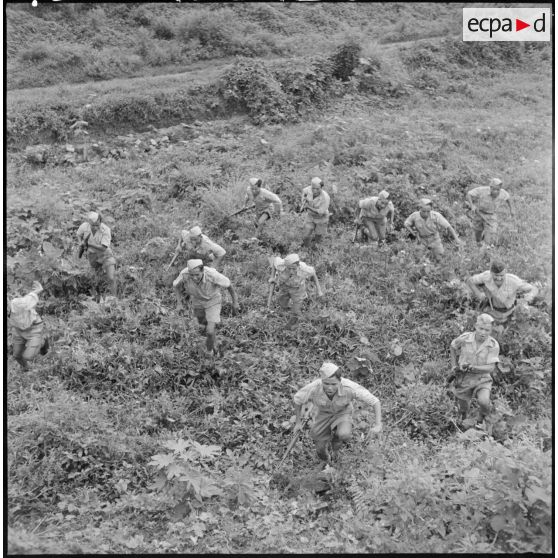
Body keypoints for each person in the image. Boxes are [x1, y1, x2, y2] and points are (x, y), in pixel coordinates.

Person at [293, 362, 382, 463]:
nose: (330, 388)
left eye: (334, 384)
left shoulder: (349, 387)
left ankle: (336, 445)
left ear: (340, 381)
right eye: (326, 384)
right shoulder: (314, 387)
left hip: (342, 412)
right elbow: (297, 399)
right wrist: (298, 423)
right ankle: (327, 461)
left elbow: (375, 401)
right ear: (321, 381)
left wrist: (378, 424)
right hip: (322, 414)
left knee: (343, 434)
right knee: (320, 449)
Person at [173, 259, 239, 356]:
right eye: (192, 275)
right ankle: (214, 343)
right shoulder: (184, 273)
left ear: (202, 271)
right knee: (202, 325)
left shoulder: (212, 275)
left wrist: (235, 302)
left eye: (197, 275)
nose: (194, 278)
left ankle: (210, 353)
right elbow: (176, 286)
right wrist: (179, 303)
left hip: (213, 301)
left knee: (210, 331)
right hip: (197, 300)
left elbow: (229, 286)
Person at [448, 313, 500, 424]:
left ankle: (483, 418)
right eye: (481, 328)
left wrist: (474, 368)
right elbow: (453, 346)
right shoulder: (465, 338)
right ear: (476, 326)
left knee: (484, 401)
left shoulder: (493, 345)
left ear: (491, 331)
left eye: (487, 330)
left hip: (482, 379)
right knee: (463, 410)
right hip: (464, 378)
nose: (483, 333)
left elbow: (490, 367)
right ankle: (464, 423)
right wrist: (454, 365)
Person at [466, 260, 539, 325]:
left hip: (509, 313)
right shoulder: (486, 276)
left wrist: (529, 296)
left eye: (501, 275)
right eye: (496, 275)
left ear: (505, 272)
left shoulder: (513, 281)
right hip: (491, 311)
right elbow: (470, 281)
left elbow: (533, 289)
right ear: (491, 273)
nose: (499, 278)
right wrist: (479, 294)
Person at [269, 253, 324, 328]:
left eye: (294, 269)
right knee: (282, 303)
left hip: (298, 289)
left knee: (296, 311)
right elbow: (274, 262)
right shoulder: (280, 264)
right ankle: (285, 312)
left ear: (298, 266)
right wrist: (272, 277)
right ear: (285, 265)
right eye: (289, 268)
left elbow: (313, 273)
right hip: (284, 287)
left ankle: (296, 324)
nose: (291, 271)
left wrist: (319, 290)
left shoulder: (304, 268)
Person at [403, 198, 461, 262]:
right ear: (420, 209)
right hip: (421, 240)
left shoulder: (436, 216)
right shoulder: (414, 216)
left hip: (434, 239)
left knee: (440, 259)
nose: (426, 214)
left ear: (431, 209)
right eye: (423, 211)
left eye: (428, 211)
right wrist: (414, 233)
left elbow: (448, 227)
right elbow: (406, 224)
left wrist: (456, 239)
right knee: (418, 260)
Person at [9, 281, 49, 371]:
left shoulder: (17, 304)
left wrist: (38, 290)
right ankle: (26, 368)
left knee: (27, 356)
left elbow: (29, 298)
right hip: (18, 330)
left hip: (34, 328)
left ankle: (43, 342)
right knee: (16, 355)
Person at [76, 211, 117, 298]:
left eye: (97, 225)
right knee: (97, 277)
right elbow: (79, 234)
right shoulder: (84, 226)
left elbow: (103, 248)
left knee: (111, 277)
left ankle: (114, 298)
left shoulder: (106, 230)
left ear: (100, 222)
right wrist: (81, 243)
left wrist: (87, 244)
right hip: (92, 255)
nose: (95, 227)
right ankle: (99, 295)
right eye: (93, 225)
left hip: (105, 255)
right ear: (89, 223)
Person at [466, 178, 513, 247]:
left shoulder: (503, 193)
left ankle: (486, 246)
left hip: (491, 215)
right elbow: (469, 194)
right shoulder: (482, 190)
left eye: (498, 190)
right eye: (494, 189)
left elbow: (508, 198)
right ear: (490, 188)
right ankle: (479, 242)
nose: (496, 192)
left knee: (491, 232)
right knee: (477, 231)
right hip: (479, 213)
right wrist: (472, 205)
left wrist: (511, 209)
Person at [301, 177, 331, 248]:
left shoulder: (325, 197)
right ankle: (307, 248)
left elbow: (320, 212)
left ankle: (315, 250)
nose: (315, 191)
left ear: (321, 187)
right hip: (310, 216)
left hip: (321, 218)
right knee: (306, 235)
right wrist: (303, 203)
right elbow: (303, 198)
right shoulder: (306, 190)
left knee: (318, 238)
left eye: (317, 189)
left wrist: (308, 207)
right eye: (313, 188)